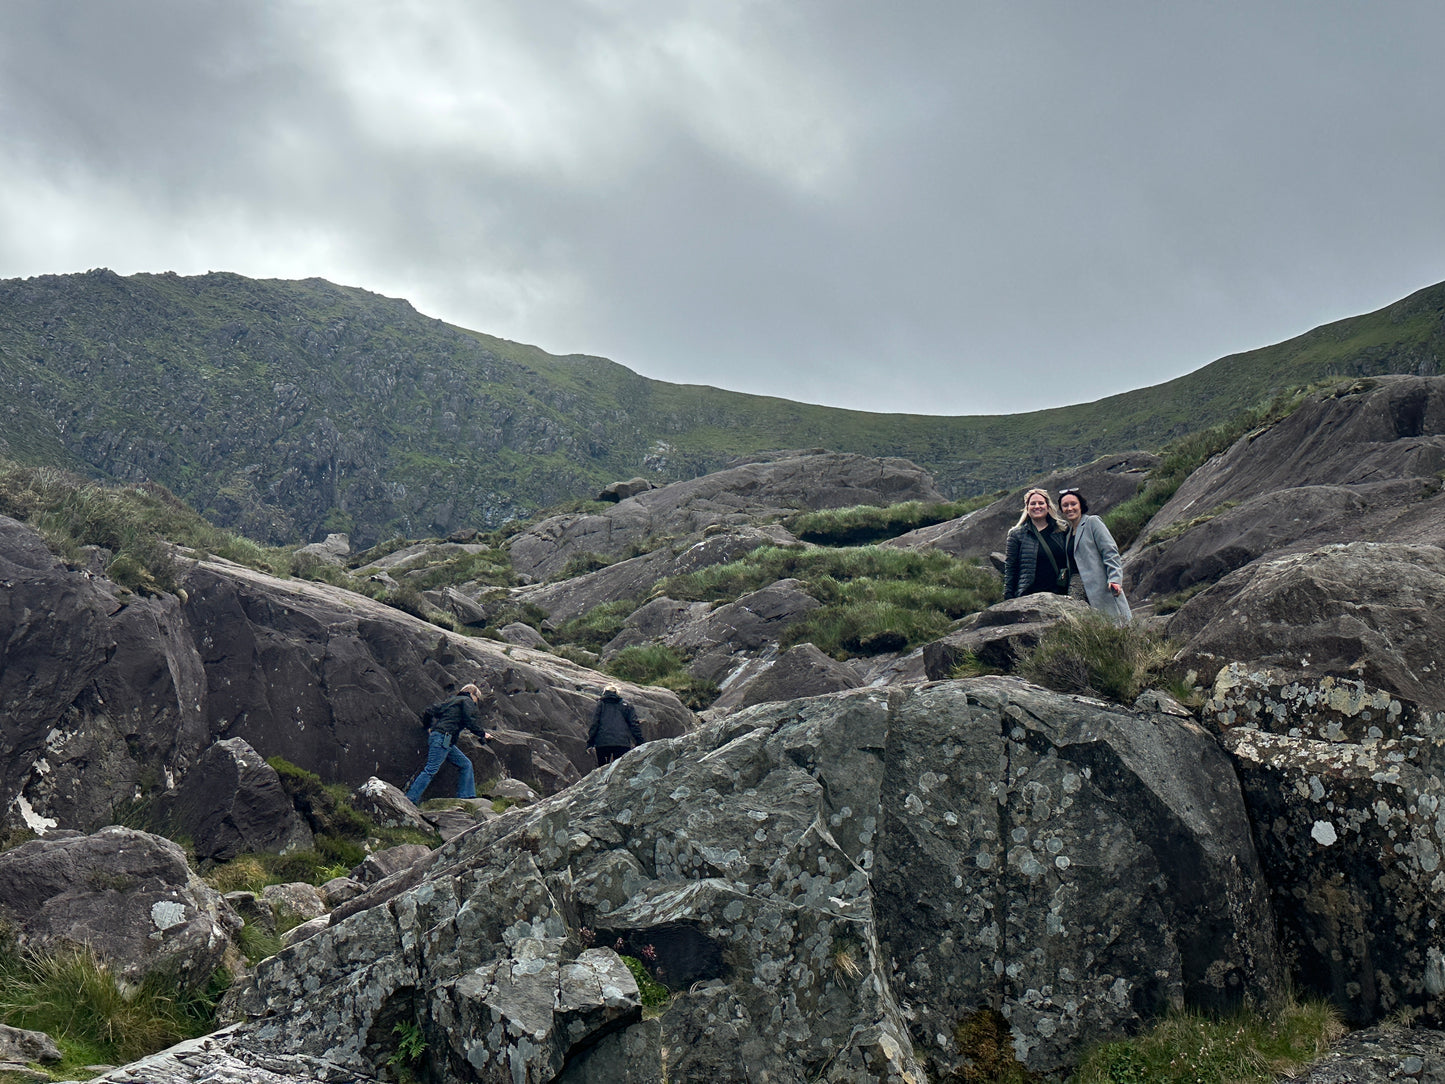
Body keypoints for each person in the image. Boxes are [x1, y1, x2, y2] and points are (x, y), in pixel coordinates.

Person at [405, 683, 491, 803]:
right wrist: (482, 734)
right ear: (472, 694)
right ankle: (410, 799)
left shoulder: (451, 701)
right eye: (477, 698)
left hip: (443, 740)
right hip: (444, 739)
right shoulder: (467, 701)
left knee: (466, 764)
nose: (477, 702)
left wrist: (428, 727)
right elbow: (469, 720)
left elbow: (429, 711)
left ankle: (467, 798)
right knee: (430, 769)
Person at [1058, 488, 1132, 624]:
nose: (1069, 508)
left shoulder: (1092, 522)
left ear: (1081, 505)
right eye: (1065, 505)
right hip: (1077, 588)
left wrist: (1115, 579)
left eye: (1073, 504)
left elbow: (1110, 551)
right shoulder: (1068, 533)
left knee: (1115, 624)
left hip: (1100, 586)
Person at [1003, 487, 1070, 599]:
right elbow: (1010, 568)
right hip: (1028, 596)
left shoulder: (1062, 530)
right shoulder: (1016, 534)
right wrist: (1008, 595)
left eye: (1041, 503)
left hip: (1060, 595)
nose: (1037, 506)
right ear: (1027, 508)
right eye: (1033, 503)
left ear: (1048, 506)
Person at [587, 684, 643, 767]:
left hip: (602, 743)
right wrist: (639, 741)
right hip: (622, 743)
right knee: (620, 769)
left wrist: (590, 742)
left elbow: (595, 723)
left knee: (602, 771)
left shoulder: (600, 704)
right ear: (617, 693)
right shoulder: (626, 705)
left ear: (604, 692)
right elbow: (634, 724)